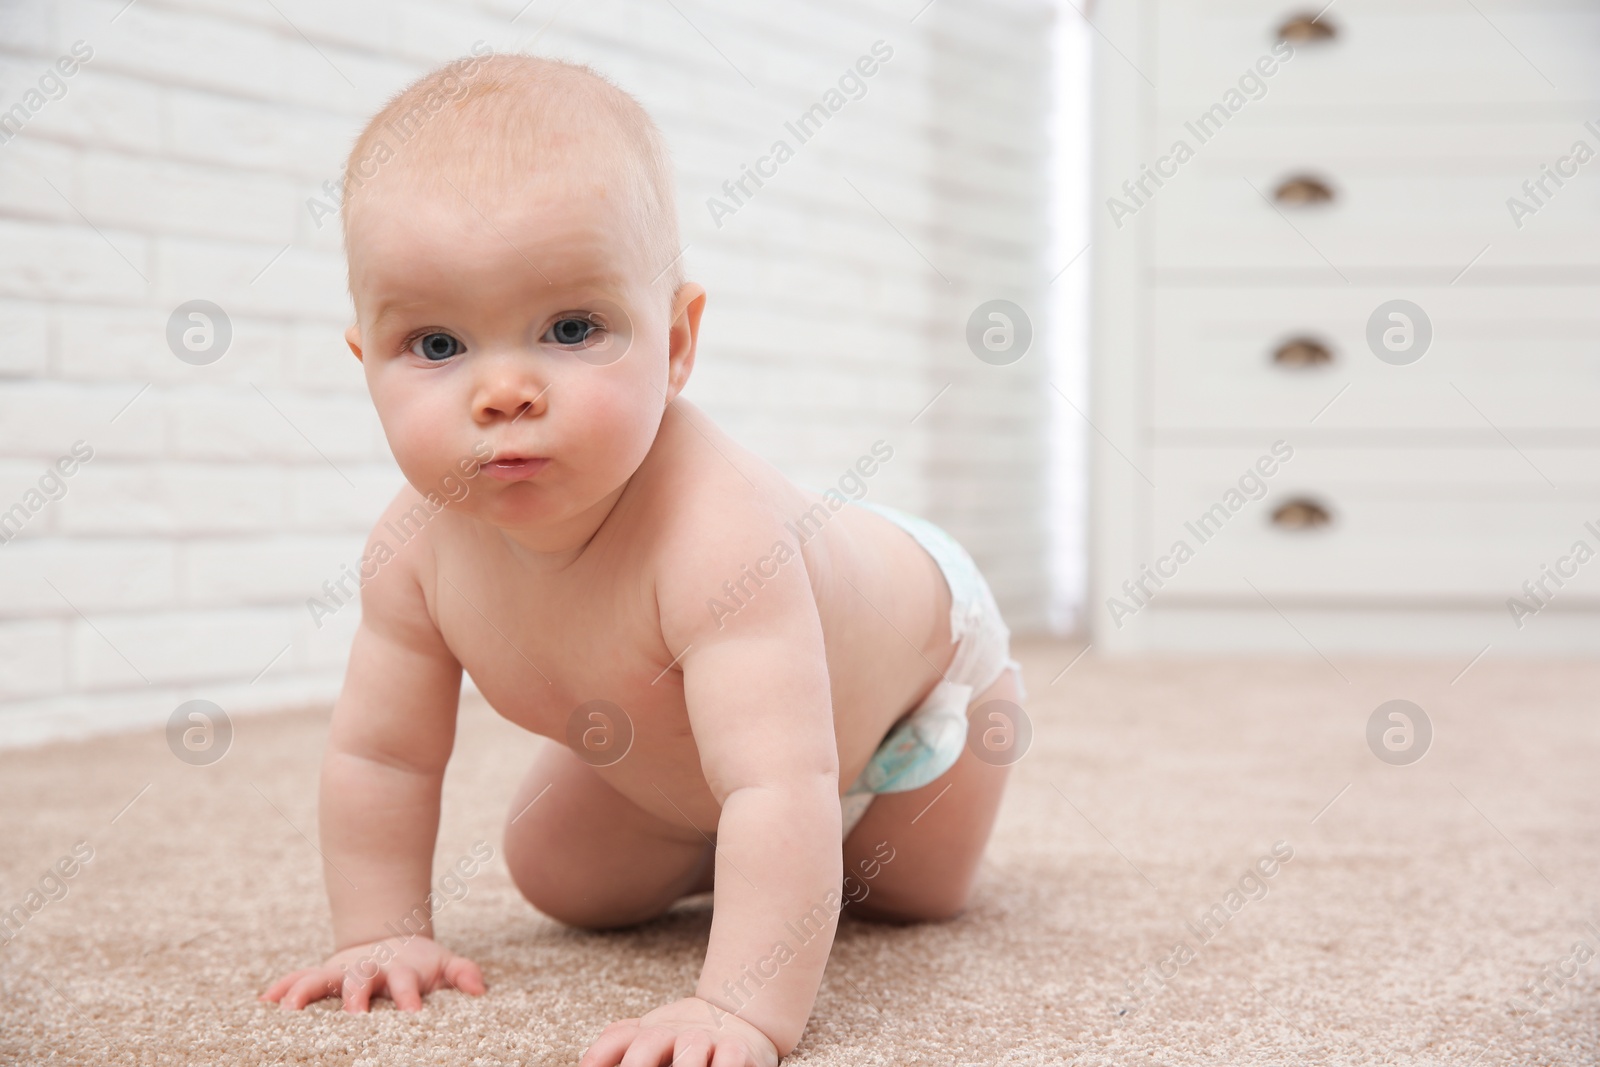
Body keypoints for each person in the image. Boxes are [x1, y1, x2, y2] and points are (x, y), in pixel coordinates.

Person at [262, 50, 1025, 1067]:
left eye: (571, 327)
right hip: (710, 741)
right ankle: (749, 854)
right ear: (367, 363)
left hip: (917, 669)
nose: (503, 390)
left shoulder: (718, 536)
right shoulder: (414, 553)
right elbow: (382, 754)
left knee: (904, 895)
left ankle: (811, 845)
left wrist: (739, 1007)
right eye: (438, 345)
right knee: (564, 877)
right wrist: (381, 927)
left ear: (674, 343)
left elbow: (777, 779)